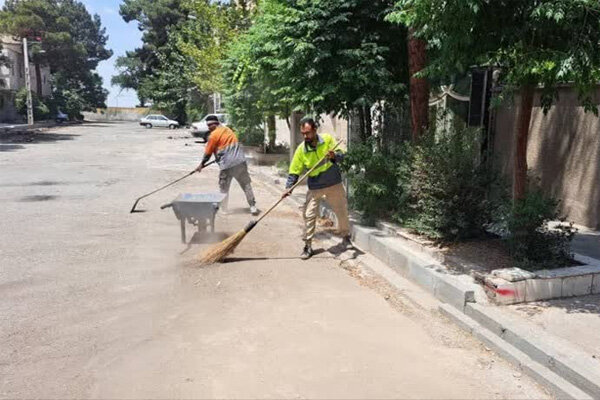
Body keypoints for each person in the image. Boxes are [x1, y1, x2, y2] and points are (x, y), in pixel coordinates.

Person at [282, 117, 352, 260]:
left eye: (307, 133)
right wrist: (289, 187)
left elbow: (342, 156)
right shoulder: (301, 150)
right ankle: (308, 246)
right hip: (315, 187)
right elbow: (294, 171)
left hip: (334, 184)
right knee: (308, 214)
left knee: (342, 211)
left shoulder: (327, 140)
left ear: (315, 130)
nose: (305, 136)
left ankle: (346, 236)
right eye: (303, 133)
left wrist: (334, 156)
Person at [196, 115, 259, 215]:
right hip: (240, 162)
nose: (208, 128)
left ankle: (224, 209)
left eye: (209, 125)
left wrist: (201, 165)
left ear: (214, 124)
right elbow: (226, 146)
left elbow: (207, 154)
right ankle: (253, 207)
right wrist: (218, 155)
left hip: (227, 165)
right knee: (246, 185)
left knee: (224, 187)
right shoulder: (228, 130)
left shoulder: (213, 135)